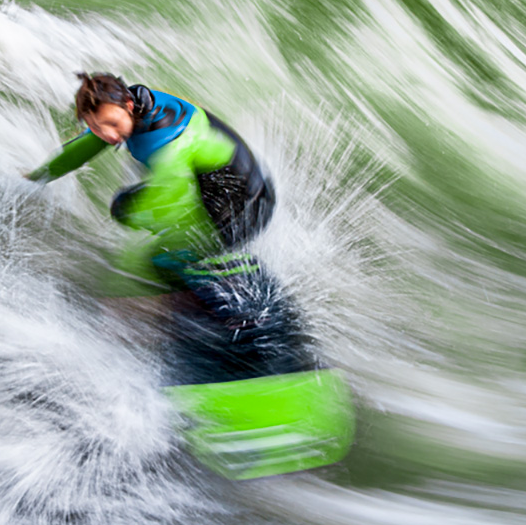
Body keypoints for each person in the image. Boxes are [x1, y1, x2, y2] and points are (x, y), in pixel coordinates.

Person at [26, 72, 315, 382]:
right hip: (228, 195)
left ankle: (225, 324)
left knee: (164, 258)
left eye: (110, 124)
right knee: (165, 255)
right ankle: (202, 309)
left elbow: (174, 199)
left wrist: (140, 222)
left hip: (246, 207)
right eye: (97, 127)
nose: (107, 135)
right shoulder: (133, 106)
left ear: (127, 104)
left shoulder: (163, 140)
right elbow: (84, 146)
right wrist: (37, 177)